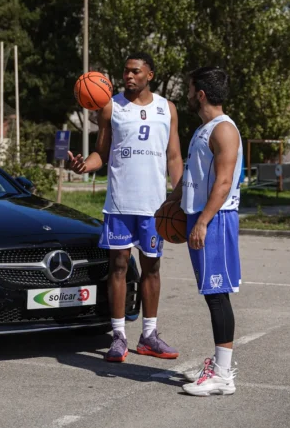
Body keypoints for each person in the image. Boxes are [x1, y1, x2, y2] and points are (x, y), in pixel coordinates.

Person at [68, 53, 184, 362]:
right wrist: (84, 166)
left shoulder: (166, 108)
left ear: (150, 75)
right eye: (126, 71)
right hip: (120, 203)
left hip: (154, 206)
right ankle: (118, 336)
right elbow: (100, 153)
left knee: (152, 267)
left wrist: (181, 193)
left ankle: (149, 335)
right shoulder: (110, 106)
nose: (128, 76)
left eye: (135, 71)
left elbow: (174, 156)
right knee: (118, 267)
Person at [161, 66, 242, 396]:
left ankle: (223, 374)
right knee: (211, 294)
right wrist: (172, 201)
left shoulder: (224, 130)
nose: (189, 92)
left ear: (201, 94)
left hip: (217, 220)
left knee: (217, 295)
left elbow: (223, 182)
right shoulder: (203, 129)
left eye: (191, 88)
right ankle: (217, 366)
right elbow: (192, 175)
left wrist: (204, 222)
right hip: (199, 216)